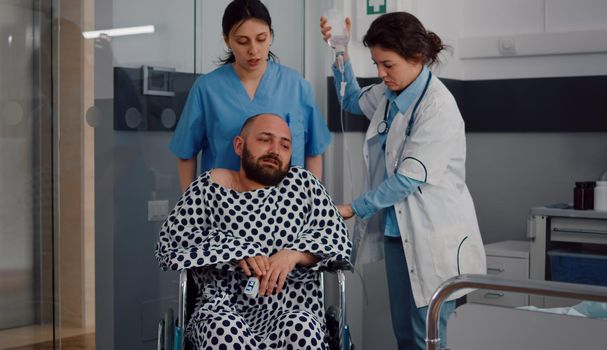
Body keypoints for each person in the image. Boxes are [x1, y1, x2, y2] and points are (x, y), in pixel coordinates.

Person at [320, 12, 486, 349]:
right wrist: (340, 51)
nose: (380, 74)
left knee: (428, 336)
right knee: (405, 335)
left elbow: (407, 180)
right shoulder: (388, 93)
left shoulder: (438, 107)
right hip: (399, 232)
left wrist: (354, 207)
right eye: (376, 63)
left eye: (388, 65)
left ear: (417, 58)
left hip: (433, 234)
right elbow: (351, 100)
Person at [156, 114, 352, 349]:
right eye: (265, 140)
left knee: (304, 331)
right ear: (239, 145)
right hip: (222, 307)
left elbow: (337, 238)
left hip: (293, 307)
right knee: (222, 332)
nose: (275, 150)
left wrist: (294, 254)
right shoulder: (209, 187)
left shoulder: (303, 185)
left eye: (285, 145)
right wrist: (233, 249)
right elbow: (170, 242)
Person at [170, 0, 331, 191]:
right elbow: (185, 154)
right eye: (242, 41)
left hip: (287, 209)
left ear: (270, 35)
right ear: (227, 40)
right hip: (224, 207)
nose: (253, 50)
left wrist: (312, 205)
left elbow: (313, 152)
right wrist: (191, 209)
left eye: (261, 39)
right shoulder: (207, 89)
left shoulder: (296, 85)